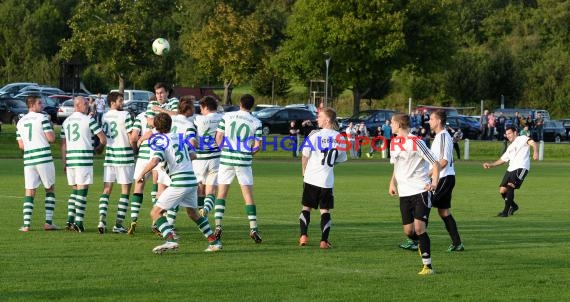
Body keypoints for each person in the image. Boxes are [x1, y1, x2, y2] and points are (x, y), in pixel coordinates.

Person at [135, 113, 222, 254]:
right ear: (171, 125)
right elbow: (194, 155)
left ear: (156, 127)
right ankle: (214, 242)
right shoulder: (179, 138)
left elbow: (154, 160)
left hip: (180, 182)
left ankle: (170, 240)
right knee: (193, 214)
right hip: (191, 181)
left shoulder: (161, 141)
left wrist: (141, 174)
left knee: (155, 212)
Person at [389, 113, 440, 275]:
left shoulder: (417, 142)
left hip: (421, 190)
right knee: (408, 231)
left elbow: (436, 163)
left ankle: (428, 266)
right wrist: (392, 182)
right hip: (404, 193)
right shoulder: (395, 142)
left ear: (399, 125)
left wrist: (434, 183)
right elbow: (396, 165)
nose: (390, 125)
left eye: (392, 123)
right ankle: (422, 244)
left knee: (419, 228)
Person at [213, 94, 263, 243]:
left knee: (221, 194)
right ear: (252, 106)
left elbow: (219, 137)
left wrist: (226, 150)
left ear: (240, 103)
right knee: (248, 195)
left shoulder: (227, 116)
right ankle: (253, 228)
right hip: (244, 161)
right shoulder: (256, 122)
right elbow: (257, 146)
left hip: (227, 159)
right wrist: (248, 154)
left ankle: (218, 226)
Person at [298, 107, 347, 249]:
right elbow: (340, 159)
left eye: (319, 117)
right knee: (325, 210)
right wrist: (328, 166)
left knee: (306, 208)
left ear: (327, 120)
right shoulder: (340, 138)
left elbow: (305, 155)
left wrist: (304, 172)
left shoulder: (314, 135)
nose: (317, 119)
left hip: (311, 178)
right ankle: (324, 241)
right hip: (327, 180)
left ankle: (303, 236)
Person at [61, 96, 107, 231]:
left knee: (75, 190)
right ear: (77, 105)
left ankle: (70, 220)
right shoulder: (89, 120)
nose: (88, 106)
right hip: (83, 159)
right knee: (82, 191)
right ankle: (79, 222)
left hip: (71, 160)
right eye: (85, 104)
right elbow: (103, 139)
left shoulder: (66, 122)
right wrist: (98, 149)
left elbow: (63, 145)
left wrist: (64, 162)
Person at [16, 95, 59, 232]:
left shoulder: (20, 122)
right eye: (40, 103)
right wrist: (50, 128)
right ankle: (48, 222)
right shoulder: (42, 119)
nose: (42, 105)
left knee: (29, 190)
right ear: (32, 105)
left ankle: (26, 224)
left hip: (29, 159)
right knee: (50, 188)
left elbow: (21, 145)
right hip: (44, 157)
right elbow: (51, 138)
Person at [96, 91, 137, 234]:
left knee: (106, 189)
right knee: (125, 191)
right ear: (113, 102)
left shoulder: (105, 115)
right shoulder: (125, 115)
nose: (123, 103)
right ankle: (118, 224)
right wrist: (135, 149)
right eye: (120, 100)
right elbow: (131, 137)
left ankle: (101, 220)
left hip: (110, 157)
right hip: (124, 156)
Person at [483, 126, 538, 217]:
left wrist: (535, 152)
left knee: (510, 186)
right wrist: (491, 164)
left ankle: (505, 212)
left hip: (521, 167)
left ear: (515, 133)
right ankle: (514, 206)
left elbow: (533, 143)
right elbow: (502, 160)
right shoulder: (510, 147)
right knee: (502, 191)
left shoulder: (522, 138)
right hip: (511, 169)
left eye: (510, 133)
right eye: (507, 134)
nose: (508, 135)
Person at [428, 110, 464, 252]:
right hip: (443, 177)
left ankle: (414, 238)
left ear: (438, 121)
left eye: (431, 119)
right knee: (443, 212)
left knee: (424, 204)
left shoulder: (443, 136)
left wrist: (427, 174)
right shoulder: (439, 137)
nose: (429, 121)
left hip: (444, 178)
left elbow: (443, 161)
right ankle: (457, 243)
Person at [193, 96, 223, 217]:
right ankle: (205, 209)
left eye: (201, 108)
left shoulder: (198, 119)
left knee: (200, 188)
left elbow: (180, 115)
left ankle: (201, 216)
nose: (200, 111)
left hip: (200, 158)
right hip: (215, 158)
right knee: (211, 190)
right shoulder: (223, 118)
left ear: (206, 107)